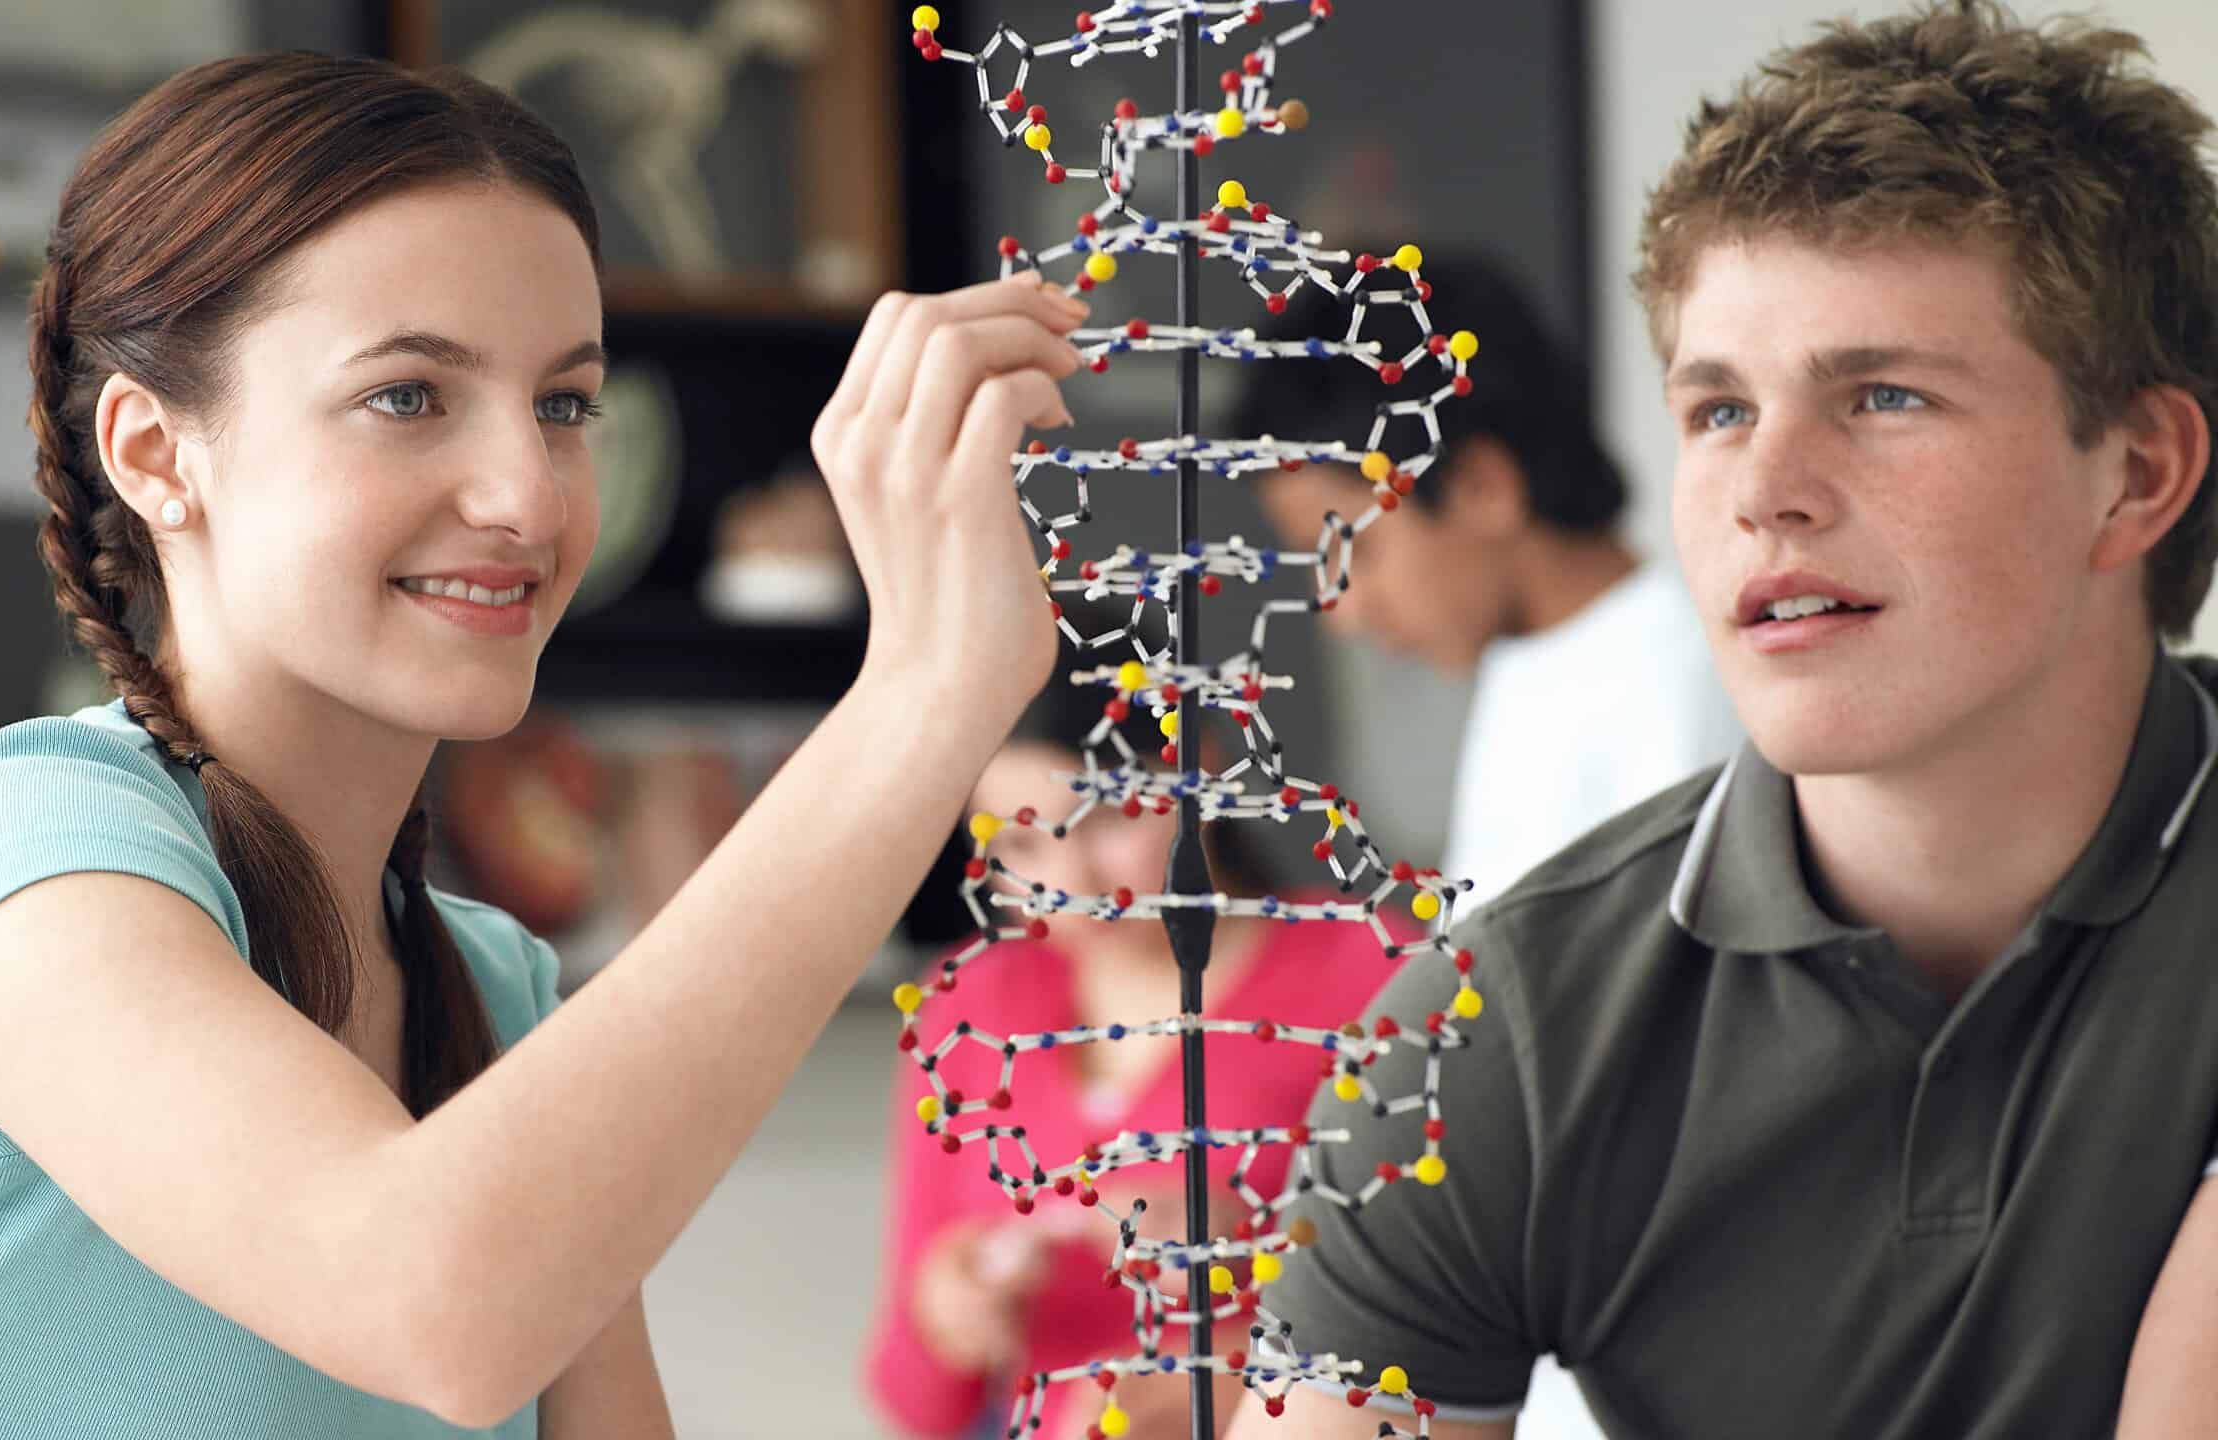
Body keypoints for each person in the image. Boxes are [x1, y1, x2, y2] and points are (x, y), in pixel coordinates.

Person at [0, 53, 1086, 1439]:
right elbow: (438, 1302)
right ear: (153, 452)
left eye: (563, 405)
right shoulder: (19, 871)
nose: (527, 497)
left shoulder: (494, 989)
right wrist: (922, 698)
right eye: (409, 397)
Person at [1237, 3, 2218, 1436]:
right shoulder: (1492, 1037)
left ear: (2134, 473)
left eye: (1883, 396)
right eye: (1715, 411)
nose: (1766, 490)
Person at [864, 708, 1416, 1440]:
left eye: (1109, 821)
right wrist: (947, 1313)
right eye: (1022, 845)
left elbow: (1470, 1310)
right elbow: (918, 1402)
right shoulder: (967, 1007)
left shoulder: (1371, 975)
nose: (1074, 881)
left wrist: (1257, 1318)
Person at [1237, 253, 1741, 908]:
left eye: (1353, 554)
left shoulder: (1679, 682)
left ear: (1483, 486)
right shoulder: (1526, 667)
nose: (1342, 613)